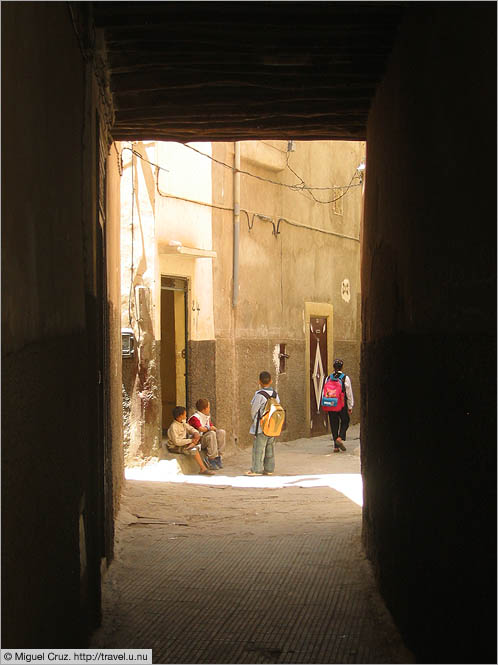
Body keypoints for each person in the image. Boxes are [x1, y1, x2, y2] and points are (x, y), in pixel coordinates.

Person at [246, 371, 280, 476]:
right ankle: (269, 469)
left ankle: (256, 469)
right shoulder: (275, 394)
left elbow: (254, 410)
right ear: (271, 381)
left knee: (258, 448)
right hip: (273, 425)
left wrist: (255, 420)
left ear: (259, 382)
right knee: (270, 448)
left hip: (261, 426)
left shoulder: (259, 395)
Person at [166, 406, 215, 475]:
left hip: (183, 442)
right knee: (194, 449)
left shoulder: (183, 423)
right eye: (184, 415)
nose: (186, 416)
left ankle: (192, 445)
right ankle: (203, 469)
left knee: (197, 438)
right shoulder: (173, 427)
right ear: (179, 416)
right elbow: (177, 442)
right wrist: (191, 441)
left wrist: (195, 433)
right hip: (175, 446)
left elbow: (190, 428)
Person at [188, 398, 226, 470]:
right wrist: (209, 428)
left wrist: (213, 428)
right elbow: (200, 429)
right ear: (204, 409)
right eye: (208, 407)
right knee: (211, 434)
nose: (209, 409)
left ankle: (218, 457)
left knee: (221, 432)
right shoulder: (195, 417)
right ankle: (211, 458)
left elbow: (211, 426)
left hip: (204, 438)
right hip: (197, 441)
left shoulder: (206, 417)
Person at [327, 359, 354, 452]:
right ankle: (340, 437)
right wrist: (350, 406)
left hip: (331, 404)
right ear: (342, 367)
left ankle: (336, 446)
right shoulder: (345, 378)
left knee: (334, 424)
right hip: (341, 404)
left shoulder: (328, 377)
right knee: (345, 420)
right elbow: (349, 393)